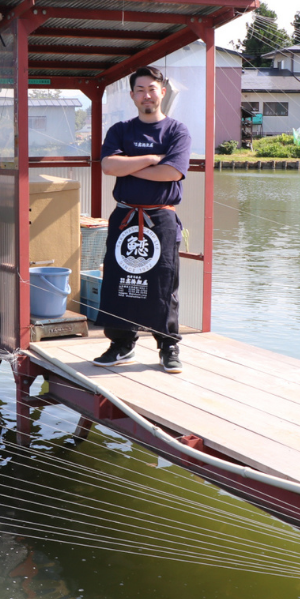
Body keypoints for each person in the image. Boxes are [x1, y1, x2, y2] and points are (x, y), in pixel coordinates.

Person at [93, 66, 190, 373]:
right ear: (132, 95)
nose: (146, 95)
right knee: (119, 280)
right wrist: (150, 159)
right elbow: (109, 166)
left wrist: (129, 166)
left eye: (151, 89)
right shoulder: (120, 130)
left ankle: (168, 345)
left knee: (164, 282)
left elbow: (172, 172)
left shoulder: (176, 131)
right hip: (125, 216)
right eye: (140, 90)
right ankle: (122, 344)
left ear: (162, 92)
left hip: (161, 217)